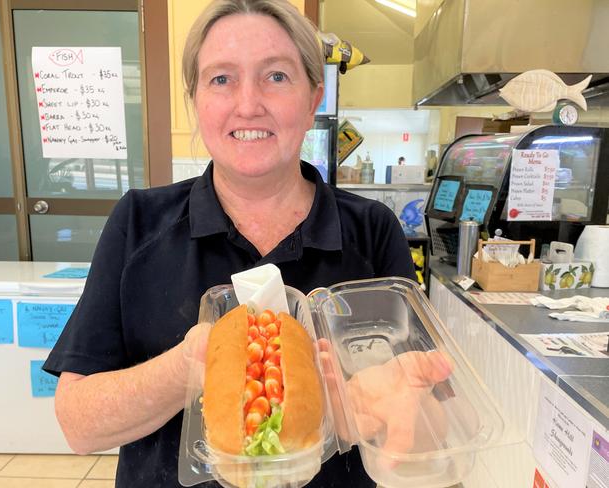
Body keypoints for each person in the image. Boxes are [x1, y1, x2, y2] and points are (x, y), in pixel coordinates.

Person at [43, 1, 449, 486]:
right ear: (195, 98)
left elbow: (429, 433)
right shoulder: (138, 221)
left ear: (313, 96)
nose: (248, 103)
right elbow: (78, 424)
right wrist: (189, 366)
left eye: (276, 76)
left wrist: (397, 419)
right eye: (221, 79)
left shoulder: (371, 229)